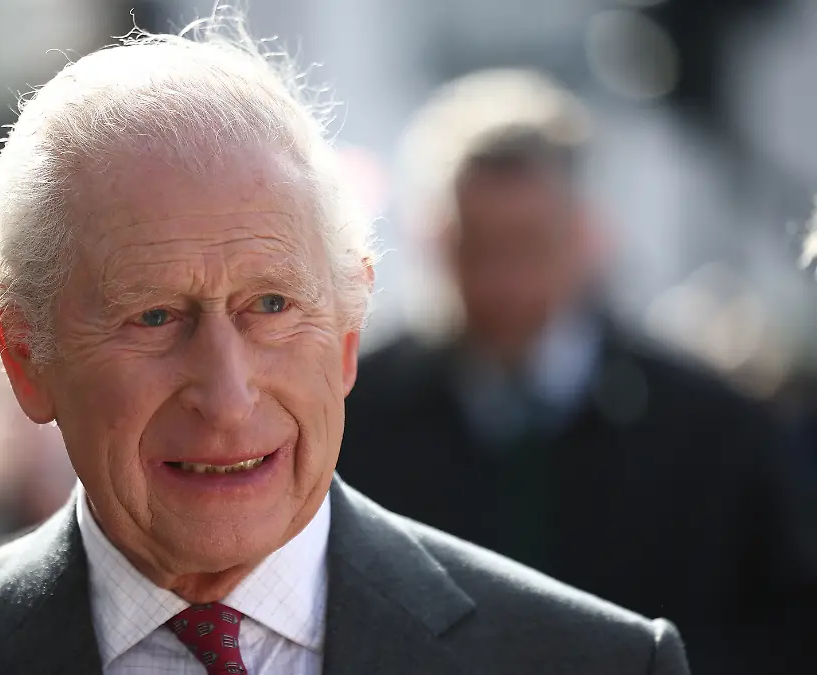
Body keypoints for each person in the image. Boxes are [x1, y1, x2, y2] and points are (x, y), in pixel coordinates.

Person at [0, 14, 690, 675]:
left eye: (272, 305)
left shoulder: (594, 661)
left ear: (350, 328)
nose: (227, 391)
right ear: (21, 351)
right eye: (154, 317)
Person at [340, 70, 817, 675]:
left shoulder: (710, 429)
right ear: (435, 242)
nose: (503, 282)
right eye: (478, 247)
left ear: (587, 236)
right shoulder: (356, 415)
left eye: (528, 246)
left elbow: (783, 629)